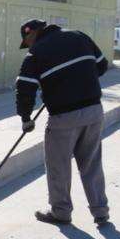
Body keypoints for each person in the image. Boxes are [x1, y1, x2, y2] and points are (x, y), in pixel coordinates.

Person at [15, 19, 110, 226]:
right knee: (91, 163)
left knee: (59, 166)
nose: (28, 46)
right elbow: (102, 66)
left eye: (27, 41)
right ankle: (100, 211)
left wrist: (25, 119)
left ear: (32, 34)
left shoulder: (35, 53)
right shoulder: (79, 35)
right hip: (94, 111)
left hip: (64, 117)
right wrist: (78, 78)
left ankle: (61, 213)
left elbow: (25, 88)